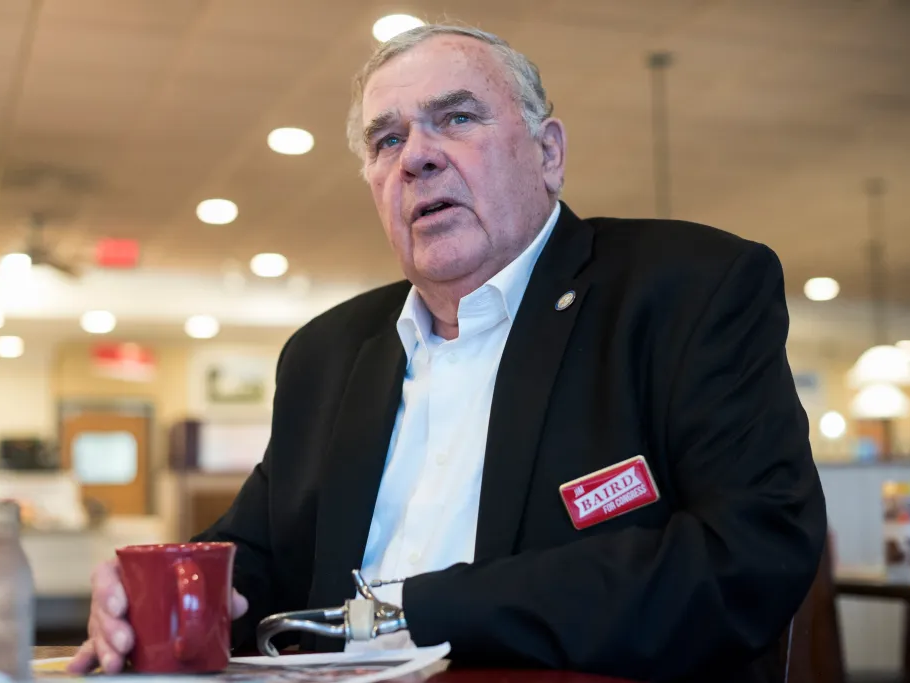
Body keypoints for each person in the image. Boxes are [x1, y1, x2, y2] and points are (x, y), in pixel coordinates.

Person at [69, 24, 826, 683]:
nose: (416, 159)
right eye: (387, 140)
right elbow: (260, 554)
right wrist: (160, 590)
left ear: (548, 152)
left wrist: (424, 609)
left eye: (456, 118)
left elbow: (750, 554)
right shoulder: (326, 354)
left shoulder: (687, 291)